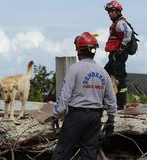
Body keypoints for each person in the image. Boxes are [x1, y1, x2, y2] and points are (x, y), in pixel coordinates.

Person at [51, 32, 117, 160]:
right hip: (95, 118)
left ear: (78, 51)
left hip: (76, 116)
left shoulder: (74, 69)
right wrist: (111, 119)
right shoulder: (103, 72)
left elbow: (64, 95)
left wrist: (56, 114)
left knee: (62, 152)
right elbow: (111, 100)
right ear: (94, 51)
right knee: (89, 154)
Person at [104, 0, 132, 110]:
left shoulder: (120, 23)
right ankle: (108, 101)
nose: (110, 13)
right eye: (109, 11)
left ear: (118, 11)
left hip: (118, 54)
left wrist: (121, 48)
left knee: (120, 79)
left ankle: (121, 103)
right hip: (114, 55)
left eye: (113, 11)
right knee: (105, 75)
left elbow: (128, 32)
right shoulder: (117, 22)